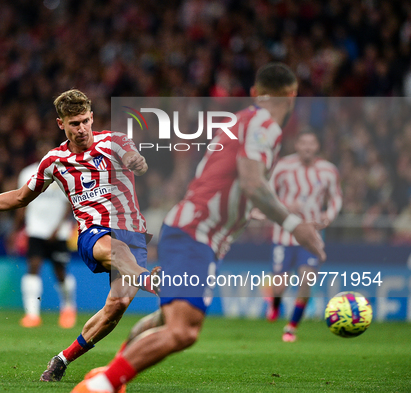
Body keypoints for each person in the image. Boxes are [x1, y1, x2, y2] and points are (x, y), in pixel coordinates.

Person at [72, 63, 326, 393]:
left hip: (191, 228)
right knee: (183, 331)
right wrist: (295, 225)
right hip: (197, 233)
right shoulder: (265, 125)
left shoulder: (240, 122)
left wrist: (248, 213)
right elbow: (252, 182)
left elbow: (231, 182)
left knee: (164, 321)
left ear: (253, 93)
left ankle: (107, 374)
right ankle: (103, 384)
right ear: (292, 96)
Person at [0, 89, 157, 383]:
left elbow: (136, 158)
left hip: (132, 232)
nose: (82, 128)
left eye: (86, 121)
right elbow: (21, 197)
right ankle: (149, 279)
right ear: (61, 124)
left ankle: (62, 359)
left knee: (116, 309)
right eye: (74, 123)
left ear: (92, 118)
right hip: (94, 234)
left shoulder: (114, 142)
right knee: (115, 251)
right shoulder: (54, 161)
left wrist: (138, 163)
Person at [263, 131, 342, 341]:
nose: (307, 147)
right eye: (303, 142)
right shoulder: (282, 167)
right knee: (280, 284)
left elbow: (336, 198)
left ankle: (292, 326)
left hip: (311, 235)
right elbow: (267, 195)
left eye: (311, 143)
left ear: (317, 146)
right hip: (284, 233)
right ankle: (275, 303)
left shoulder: (328, 171)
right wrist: (286, 206)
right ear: (297, 145)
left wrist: (329, 215)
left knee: (306, 280)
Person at [16, 141, 77, 329]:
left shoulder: (63, 173)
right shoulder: (27, 174)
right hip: (35, 230)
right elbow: (22, 201)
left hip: (58, 233)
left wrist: (58, 228)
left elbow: (69, 204)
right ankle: (32, 314)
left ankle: (68, 308)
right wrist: (17, 229)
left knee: (60, 273)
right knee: (33, 267)